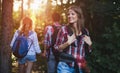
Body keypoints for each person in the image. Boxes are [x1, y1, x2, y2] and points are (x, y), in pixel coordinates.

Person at [54, 5, 92, 73]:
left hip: (80, 67)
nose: (69, 16)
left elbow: (87, 52)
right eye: (68, 14)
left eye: (72, 14)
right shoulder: (64, 29)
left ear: (78, 15)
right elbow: (56, 48)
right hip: (65, 66)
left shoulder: (85, 31)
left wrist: (90, 44)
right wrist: (67, 43)